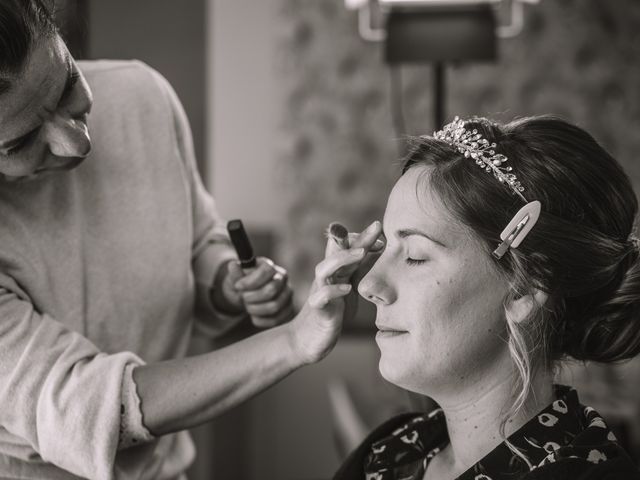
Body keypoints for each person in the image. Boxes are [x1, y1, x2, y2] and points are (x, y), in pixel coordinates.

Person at [0, 1, 380, 478]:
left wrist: (225, 282)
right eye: (19, 143)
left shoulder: (142, 95)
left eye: (68, 87)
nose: (78, 143)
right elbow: (89, 406)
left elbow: (197, 239)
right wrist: (294, 341)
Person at [332, 115, 640, 479]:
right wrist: (293, 342)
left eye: (414, 255)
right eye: (383, 248)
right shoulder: (389, 452)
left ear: (524, 288)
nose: (369, 285)